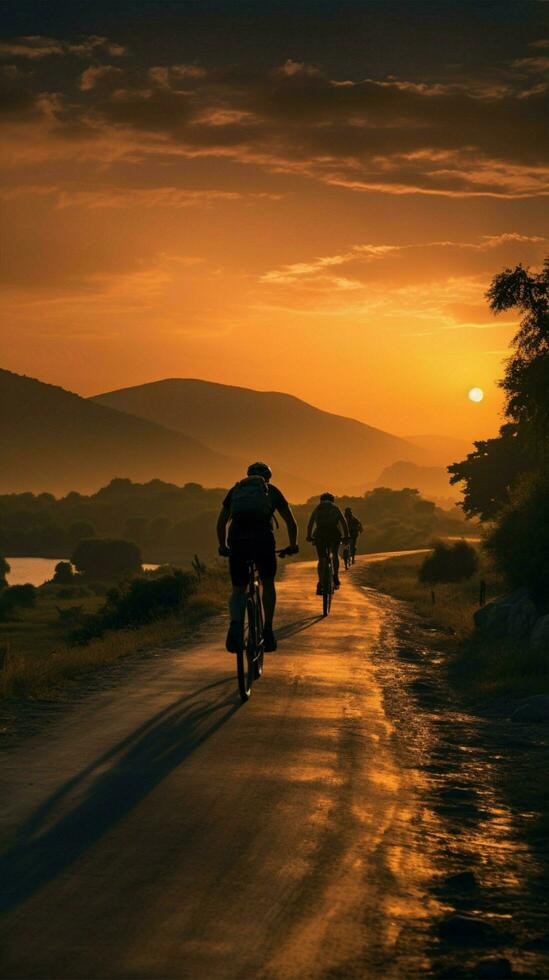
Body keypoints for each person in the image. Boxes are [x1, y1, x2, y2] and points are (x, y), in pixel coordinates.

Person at [217, 462, 298, 654]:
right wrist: (293, 545)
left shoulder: (236, 490)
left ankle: (236, 624)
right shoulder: (271, 491)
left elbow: (221, 523)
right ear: (268, 477)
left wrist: (223, 546)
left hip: (237, 540)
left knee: (238, 589)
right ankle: (268, 629)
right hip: (263, 540)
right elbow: (291, 522)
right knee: (267, 582)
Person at [307, 493, 349, 593]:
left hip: (320, 534)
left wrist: (309, 536)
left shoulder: (318, 508)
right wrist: (346, 536)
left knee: (321, 558)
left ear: (321, 500)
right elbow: (343, 522)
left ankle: (321, 583)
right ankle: (336, 576)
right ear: (332, 500)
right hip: (334, 533)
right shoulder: (335, 508)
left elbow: (310, 523)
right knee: (335, 554)